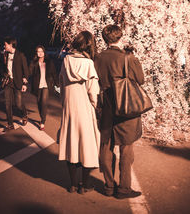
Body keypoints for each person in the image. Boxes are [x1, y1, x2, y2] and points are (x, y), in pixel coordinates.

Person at [94, 25, 144, 199]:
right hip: (125, 107)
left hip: (107, 106)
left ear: (105, 39)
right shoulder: (127, 58)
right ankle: (124, 188)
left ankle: (108, 185)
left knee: (106, 146)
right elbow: (140, 79)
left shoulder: (98, 58)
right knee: (126, 147)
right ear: (120, 37)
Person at [58, 31, 100, 194]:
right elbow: (93, 91)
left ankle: (73, 184)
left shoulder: (66, 61)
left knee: (71, 144)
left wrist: (64, 103)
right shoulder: (88, 64)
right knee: (87, 146)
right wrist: (95, 107)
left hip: (69, 108)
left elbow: (61, 85)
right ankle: (86, 185)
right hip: (84, 109)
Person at [2, 36, 29, 131]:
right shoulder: (6, 54)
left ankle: (24, 114)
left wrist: (25, 84)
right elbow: (3, 67)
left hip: (17, 82)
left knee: (18, 104)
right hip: (8, 82)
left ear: (10, 44)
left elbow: (25, 70)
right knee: (7, 104)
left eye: (5, 44)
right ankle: (10, 125)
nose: (4, 46)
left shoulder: (20, 55)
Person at [29, 45, 58, 130]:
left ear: (44, 52)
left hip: (46, 85)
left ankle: (42, 121)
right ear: (36, 53)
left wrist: (57, 84)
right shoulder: (34, 62)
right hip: (37, 85)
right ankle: (42, 116)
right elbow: (29, 72)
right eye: (38, 51)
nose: (40, 53)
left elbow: (54, 73)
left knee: (44, 102)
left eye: (41, 51)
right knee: (39, 102)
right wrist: (24, 78)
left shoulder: (49, 62)